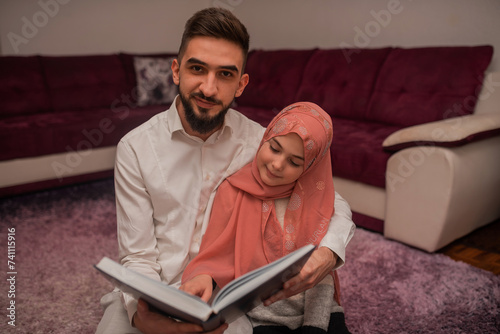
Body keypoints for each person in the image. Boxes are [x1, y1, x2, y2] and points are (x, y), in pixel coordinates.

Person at [96, 7, 355, 334]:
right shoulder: (134, 148)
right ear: (176, 70)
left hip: (226, 298)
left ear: (241, 84)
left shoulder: (263, 144)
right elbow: (137, 257)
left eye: (225, 74)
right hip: (152, 291)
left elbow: (332, 200)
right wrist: (142, 314)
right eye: (197, 69)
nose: (208, 88)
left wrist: (329, 252)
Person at [181, 102, 349, 333]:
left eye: (294, 162)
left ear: (309, 167)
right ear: (265, 138)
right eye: (274, 148)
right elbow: (216, 250)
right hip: (263, 314)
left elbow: (322, 276)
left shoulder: (314, 195)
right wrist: (203, 276)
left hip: (317, 308)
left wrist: (315, 326)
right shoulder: (233, 189)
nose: (277, 165)